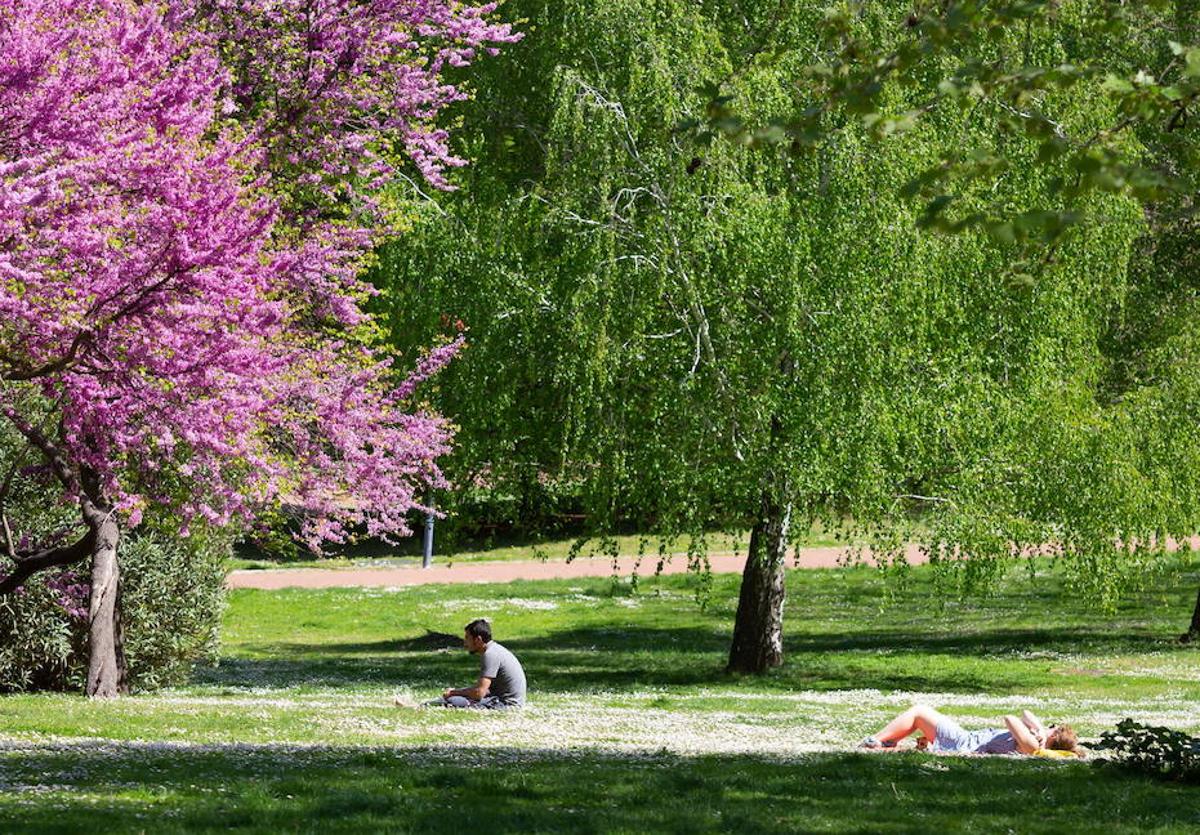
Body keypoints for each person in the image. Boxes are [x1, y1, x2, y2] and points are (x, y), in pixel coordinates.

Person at [860, 704, 1082, 757]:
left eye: (1050, 727)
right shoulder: (1036, 738)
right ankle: (885, 744)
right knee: (920, 716)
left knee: (920, 711)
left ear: (1053, 736)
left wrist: (1038, 732)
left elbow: (1011, 718)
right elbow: (1025, 712)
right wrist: (1039, 728)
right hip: (967, 738)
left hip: (963, 742)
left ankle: (876, 741)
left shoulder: (1032, 745)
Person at [437, 618, 526, 709]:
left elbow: (479, 693)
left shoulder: (490, 654)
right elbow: (485, 690)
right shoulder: (495, 650)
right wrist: (459, 691)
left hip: (506, 706)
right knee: (458, 698)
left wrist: (453, 693)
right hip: (510, 702)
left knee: (453, 701)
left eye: (467, 638)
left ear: (478, 640)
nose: (465, 643)